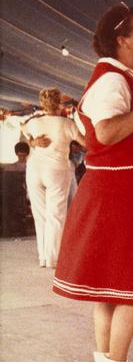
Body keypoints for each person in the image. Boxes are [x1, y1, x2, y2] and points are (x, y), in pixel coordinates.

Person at [53, 5, 133, 362]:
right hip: (121, 197)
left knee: (108, 288)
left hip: (115, 193)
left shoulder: (118, 78)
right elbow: (104, 133)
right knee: (132, 288)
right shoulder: (111, 80)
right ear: (122, 41)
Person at [21, 88, 85, 268]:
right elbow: (86, 142)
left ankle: (43, 257)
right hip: (57, 170)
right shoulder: (67, 124)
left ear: (42, 103)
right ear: (60, 102)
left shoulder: (34, 122)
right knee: (56, 215)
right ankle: (53, 258)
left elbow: (24, 131)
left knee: (40, 214)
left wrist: (33, 142)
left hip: (34, 169)